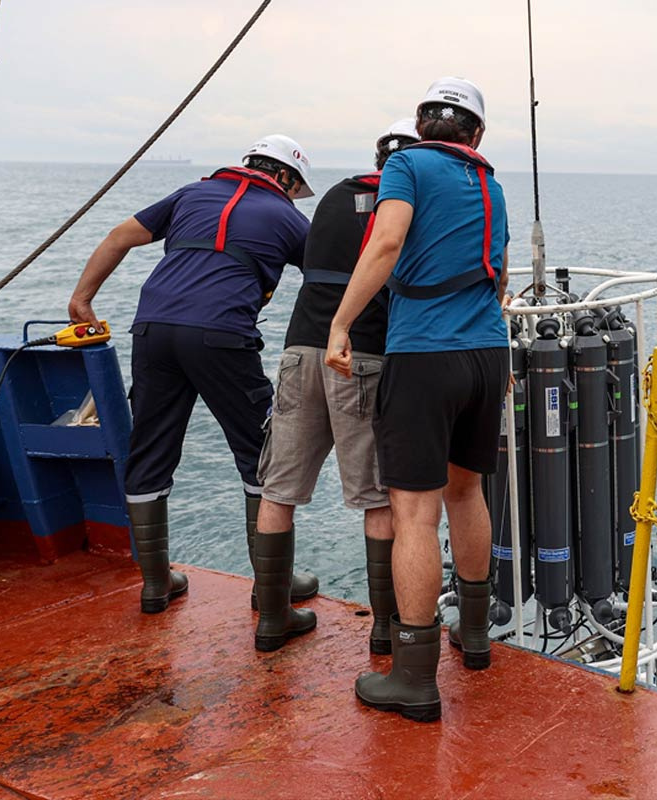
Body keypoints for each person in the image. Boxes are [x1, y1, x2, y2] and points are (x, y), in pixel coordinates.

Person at [67, 134, 319, 615]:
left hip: (153, 329)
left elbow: (119, 236)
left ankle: (156, 584)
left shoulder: (189, 194)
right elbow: (327, 279)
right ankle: (273, 586)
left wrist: (82, 299)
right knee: (262, 457)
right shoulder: (288, 217)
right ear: (284, 177)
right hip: (223, 337)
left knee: (151, 449)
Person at [325, 78, 510, 722]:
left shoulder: (405, 163)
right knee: (468, 491)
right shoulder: (491, 183)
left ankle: (413, 678)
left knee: (413, 514)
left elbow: (386, 241)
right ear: (476, 135)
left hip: (424, 357)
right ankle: (478, 634)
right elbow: (501, 274)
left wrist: (342, 323)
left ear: (424, 124)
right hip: (488, 356)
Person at [254, 120, 421, 653]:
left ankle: (272, 620)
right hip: (360, 355)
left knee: (278, 488)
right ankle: (384, 628)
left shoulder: (330, 197)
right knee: (377, 497)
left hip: (299, 349)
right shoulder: (408, 206)